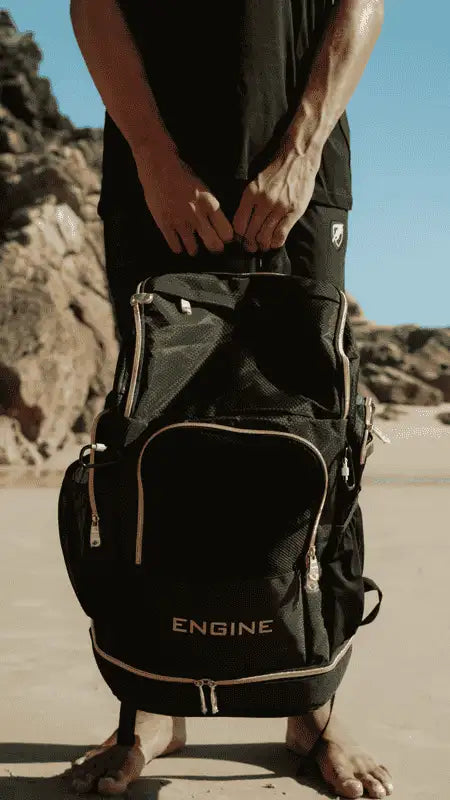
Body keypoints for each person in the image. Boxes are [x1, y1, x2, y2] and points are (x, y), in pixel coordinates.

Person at [66, 1, 393, 797]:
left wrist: (303, 151)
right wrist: (153, 156)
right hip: (155, 174)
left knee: (311, 436)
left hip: (302, 176)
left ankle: (312, 704)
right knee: (150, 438)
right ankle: (151, 702)